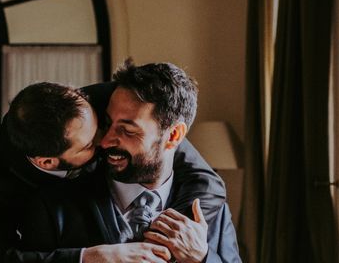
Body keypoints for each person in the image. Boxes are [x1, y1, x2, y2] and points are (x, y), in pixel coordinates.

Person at [0, 77, 227, 263]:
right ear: (47, 162)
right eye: (89, 143)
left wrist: (174, 243)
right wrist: (89, 258)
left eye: (104, 124)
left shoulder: (106, 102)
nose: (106, 140)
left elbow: (206, 180)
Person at [17, 61, 242, 263]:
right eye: (107, 123)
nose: (105, 141)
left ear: (173, 136)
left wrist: (202, 258)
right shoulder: (54, 204)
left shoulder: (208, 207)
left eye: (127, 130)